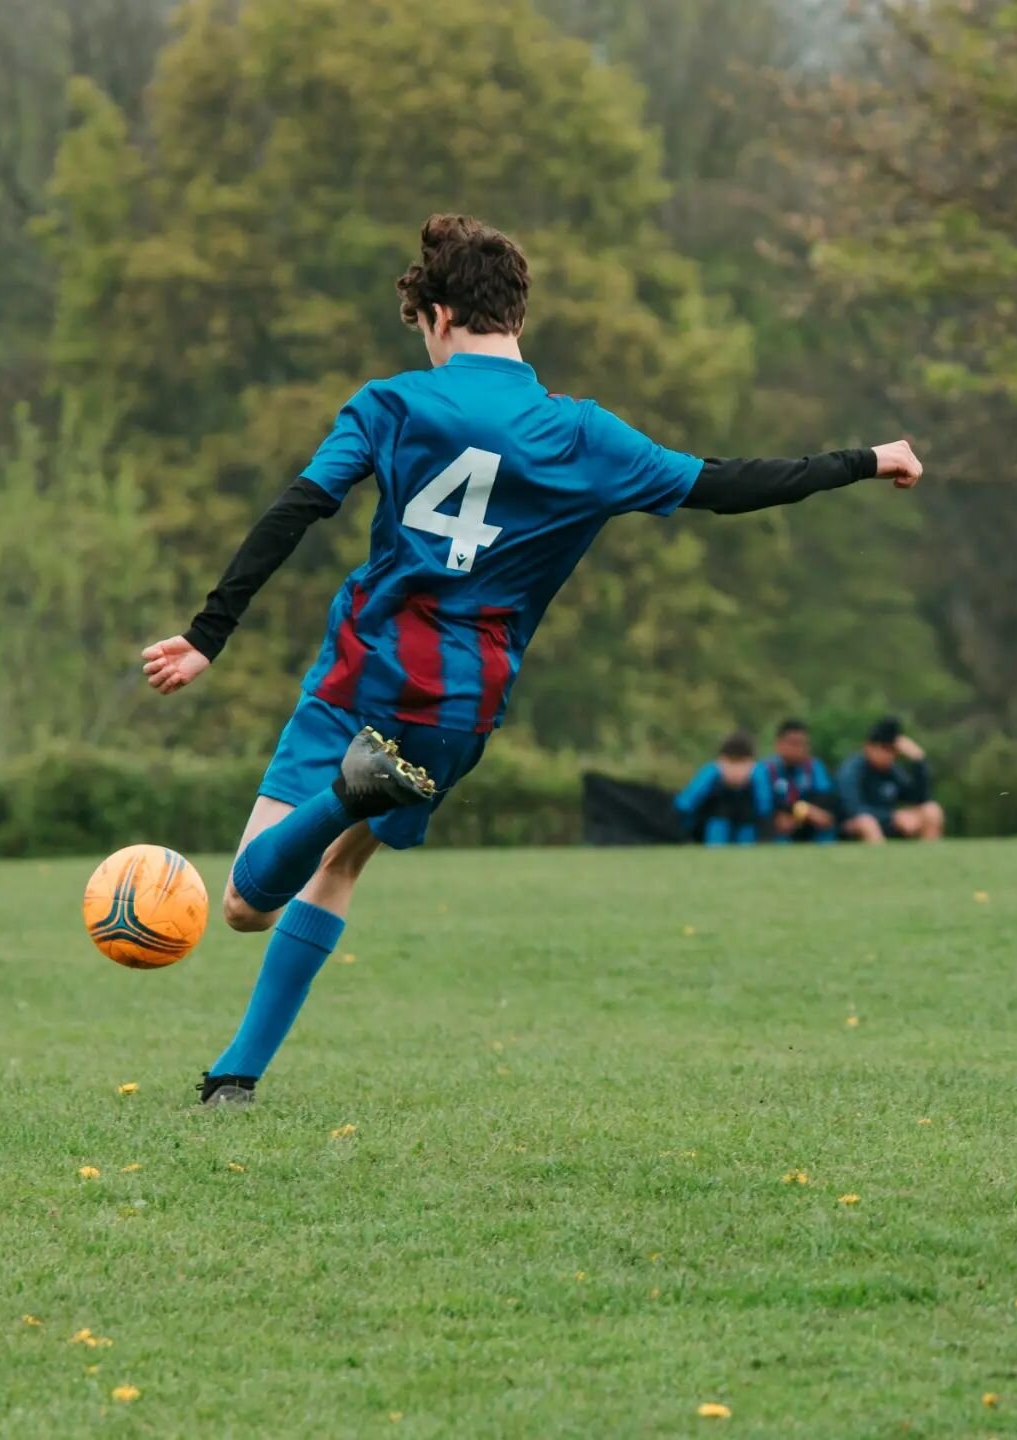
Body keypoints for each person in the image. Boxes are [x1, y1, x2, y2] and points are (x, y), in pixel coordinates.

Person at [139, 212, 925, 1105]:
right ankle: (236, 1077)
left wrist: (209, 635)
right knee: (345, 862)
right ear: (518, 314)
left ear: (437, 317)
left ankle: (345, 792)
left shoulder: (391, 404)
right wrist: (864, 458)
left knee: (245, 901)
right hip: (461, 703)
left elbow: (296, 509)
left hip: (363, 666)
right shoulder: (586, 436)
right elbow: (725, 484)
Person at [837, 717, 943, 842]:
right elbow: (854, 809)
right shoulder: (852, 769)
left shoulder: (892, 771)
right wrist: (893, 817)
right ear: (869, 747)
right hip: (853, 826)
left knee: (931, 810)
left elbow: (920, 798)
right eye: (885, 749)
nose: (889, 755)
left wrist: (919, 762)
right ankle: (881, 860)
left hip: (887, 822)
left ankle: (928, 858)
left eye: (893, 750)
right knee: (867, 822)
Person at [753, 718, 838, 844]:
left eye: (804, 744)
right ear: (779, 744)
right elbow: (764, 807)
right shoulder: (765, 770)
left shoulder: (814, 767)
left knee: (825, 822)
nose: (800, 749)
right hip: (776, 826)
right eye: (794, 743)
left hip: (809, 824)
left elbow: (824, 799)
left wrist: (800, 813)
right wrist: (800, 810)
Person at [674, 732, 760, 846]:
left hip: (729, 825)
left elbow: (685, 803)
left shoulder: (712, 770)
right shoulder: (757, 772)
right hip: (729, 824)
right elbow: (764, 806)